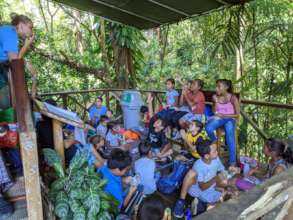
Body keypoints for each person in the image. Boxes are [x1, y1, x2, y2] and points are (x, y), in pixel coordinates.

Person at [173, 140, 228, 218]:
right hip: (199, 189)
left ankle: (196, 205)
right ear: (207, 156)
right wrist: (216, 178)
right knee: (191, 173)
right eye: (215, 151)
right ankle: (183, 203)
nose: (217, 152)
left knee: (228, 187)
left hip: (211, 187)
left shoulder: (216, 159)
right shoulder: (198, 166)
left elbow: (221, 170)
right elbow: (202, 187)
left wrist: (227, 173)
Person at [0, 14, 34, 109]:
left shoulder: (8, 31)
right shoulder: (10, 32)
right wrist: (26, 46)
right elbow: (15, 63)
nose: (32, 32)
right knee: (6, 107)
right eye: (30, 27)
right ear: (21, 25)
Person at [205, 79, 240, 166]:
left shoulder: (233, 98)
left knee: (229, 136)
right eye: (216, 86)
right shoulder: (216, 97)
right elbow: (214, 111)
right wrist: (216, 101)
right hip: (220, 118)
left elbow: (237, 114)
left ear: (226, 87)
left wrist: (225, 116)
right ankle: (215, 141)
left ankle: (232, 162)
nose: (216, 88)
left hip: (231, 119)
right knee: (208, 128)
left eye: (219, 86)